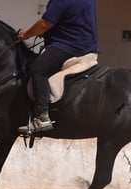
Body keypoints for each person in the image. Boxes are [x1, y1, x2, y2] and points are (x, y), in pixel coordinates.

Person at [17, 0, 99, 134]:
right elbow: (74, 20)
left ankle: (41, 117)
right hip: (88, 46)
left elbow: (44, 23)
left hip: (69, 47)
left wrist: (25, 34)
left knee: (38, 69)